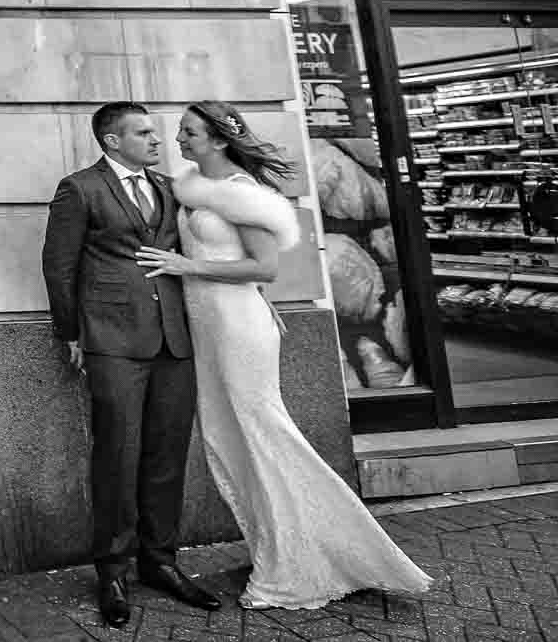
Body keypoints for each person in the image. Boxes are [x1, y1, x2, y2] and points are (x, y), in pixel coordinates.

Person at [136, 103, 432, 611]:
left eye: (188, 132)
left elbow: (264, 267)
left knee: (262, 433)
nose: (178, 139)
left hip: (237, 328)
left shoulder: (244, 195)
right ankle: (278, 547)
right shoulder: (191, 187)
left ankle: (315, 556)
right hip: (210, 328)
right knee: (228, 440)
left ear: (218, 140)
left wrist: (187, 264)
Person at [42, 102, 219, 628]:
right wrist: (70, 332)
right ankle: (113, 572)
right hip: (113, 339)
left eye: (155, 132)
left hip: (173, 341)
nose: (156, 140)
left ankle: (161, 562)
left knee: (167, 455)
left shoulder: (168, 187)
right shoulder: (80, 189)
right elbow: (59, 264)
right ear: (111, 141)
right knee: (116, 455)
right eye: (143, 133)